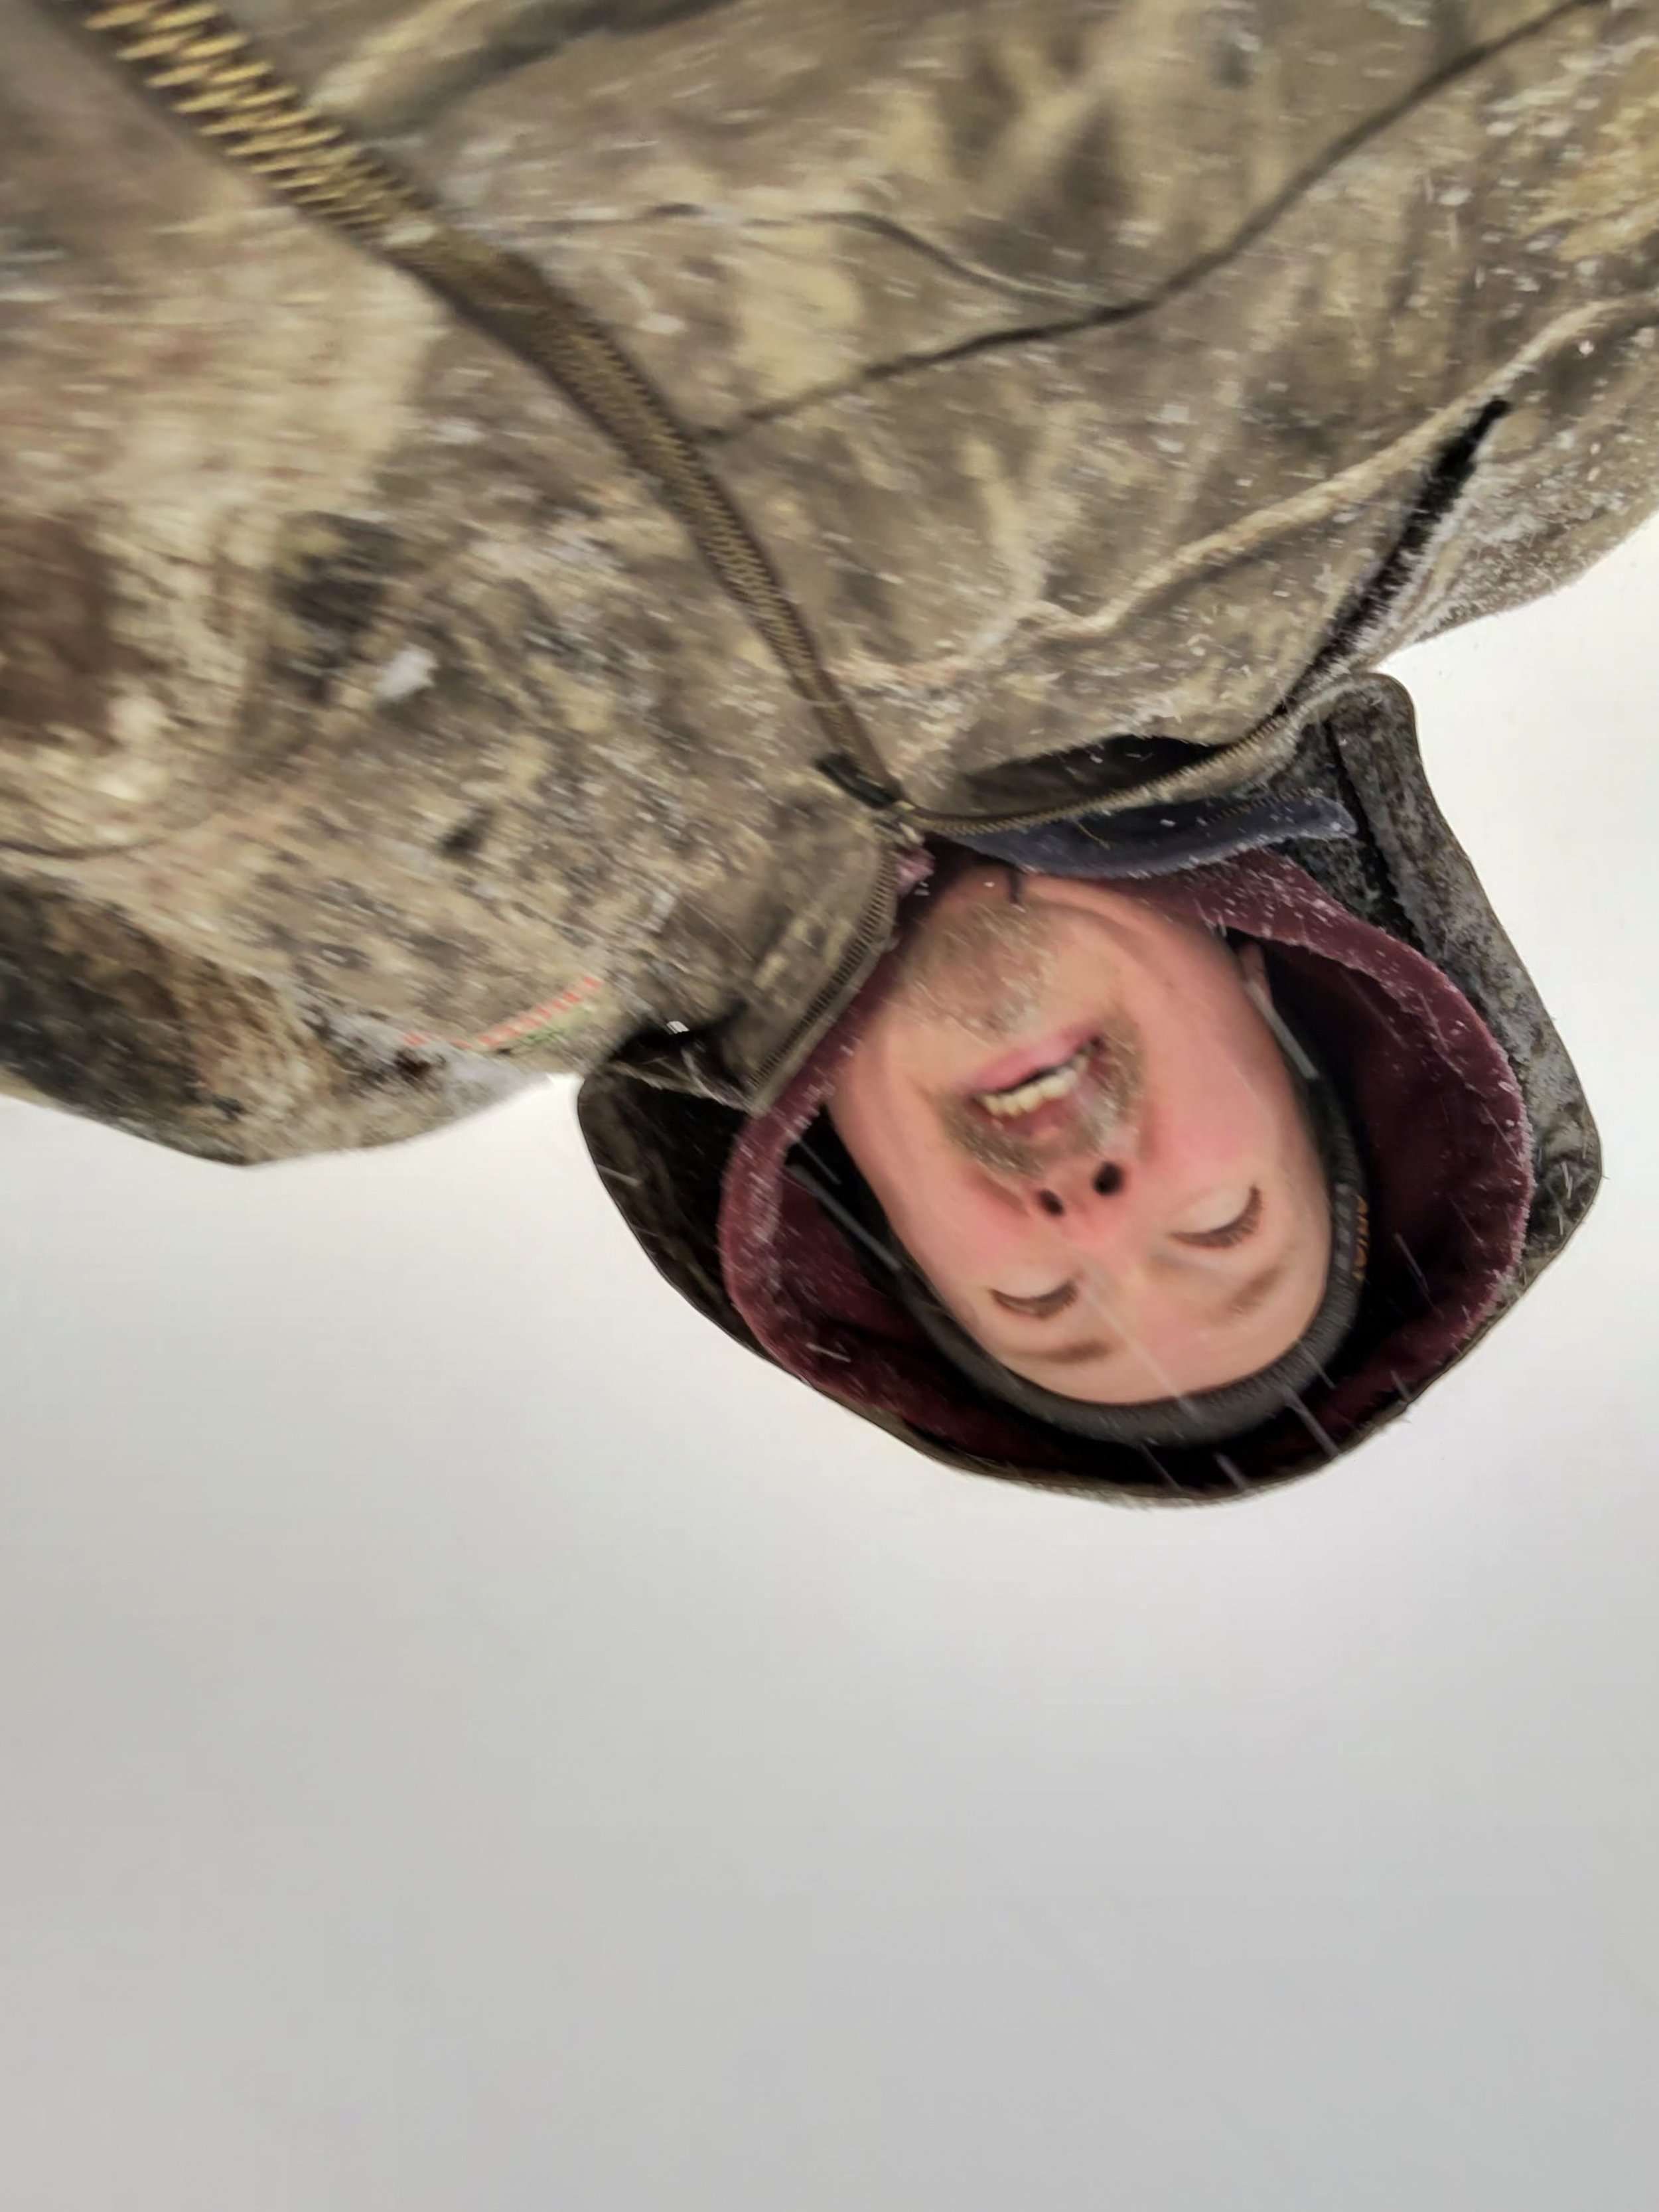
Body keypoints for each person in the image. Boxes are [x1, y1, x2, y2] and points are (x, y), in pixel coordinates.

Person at [2, 0, 1652, 1497]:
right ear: (1309, 1027)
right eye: (1219, 1226)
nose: (1095, 1222)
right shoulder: (1481, 429)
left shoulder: (271, 1022)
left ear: (868, 1215)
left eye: (1038, 1303)